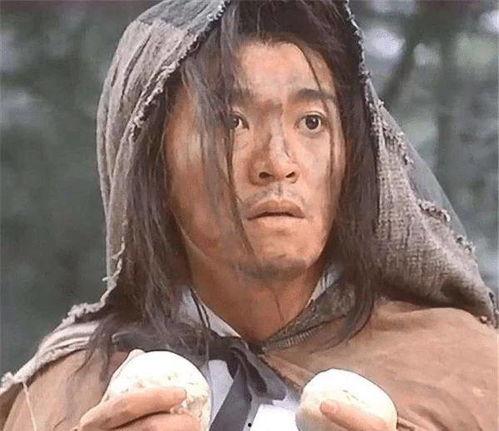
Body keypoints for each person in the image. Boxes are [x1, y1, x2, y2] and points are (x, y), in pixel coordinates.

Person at [1, 1, 497, 430]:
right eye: (231, 122)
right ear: (151, 164)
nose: (278, 163)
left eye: (312, 122)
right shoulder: (66, 393)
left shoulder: (464, 374)